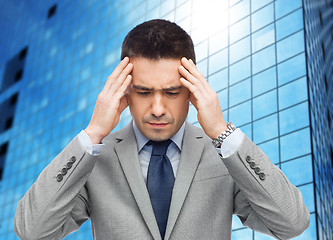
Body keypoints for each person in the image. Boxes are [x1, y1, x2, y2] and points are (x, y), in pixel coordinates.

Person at [14, 19, 309, 240]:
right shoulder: (93, 160)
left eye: (171, 92)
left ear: (193, 90)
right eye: (143, 92)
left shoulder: (223, 155)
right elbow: (32, 230)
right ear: (123, 91)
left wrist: (222, 130)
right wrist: (92, 133)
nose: (157, 108)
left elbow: (292, 222)